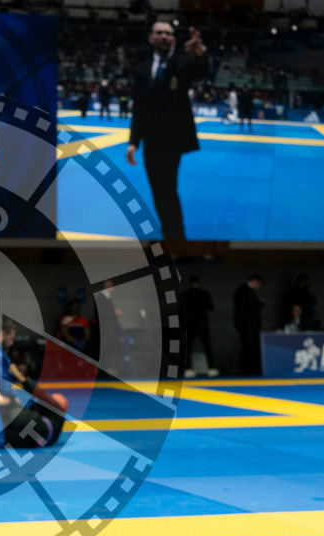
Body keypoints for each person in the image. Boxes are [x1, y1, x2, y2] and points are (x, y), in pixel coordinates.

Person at [126, 23, 209, 242]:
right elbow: (139, 107)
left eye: (169, 33)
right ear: (151, 37)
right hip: (150, 140)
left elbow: (202, 70)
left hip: (173, 139)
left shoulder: (183, 63)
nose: (164, 36)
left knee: (167, 188)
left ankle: (176, 238)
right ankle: (172, 234)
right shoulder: (142, 69)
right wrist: (133, 141)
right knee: (159, 190)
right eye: (160, 33)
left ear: (174, 39)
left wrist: (200, 53)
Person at [182, 274, 218, 377]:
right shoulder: (204, 294)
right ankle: (211, 368)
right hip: (202, 324)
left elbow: (180, 311)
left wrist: (183, 324)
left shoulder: (186, 294)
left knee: (188, 347)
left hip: (189, 324)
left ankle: (188, 369)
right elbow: (210, 307)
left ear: (190, 282)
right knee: (207, 346)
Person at [234, 273, 265, 375]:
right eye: (259, 283)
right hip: (247, 325)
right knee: (249, 347)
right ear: (254, 281)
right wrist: (260, 302)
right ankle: (248, 370)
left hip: (246, 325)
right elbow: (255, 304)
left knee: (248, 347)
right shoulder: (245, 291)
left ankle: (248, 369)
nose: (259, 286)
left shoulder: (244, 291)